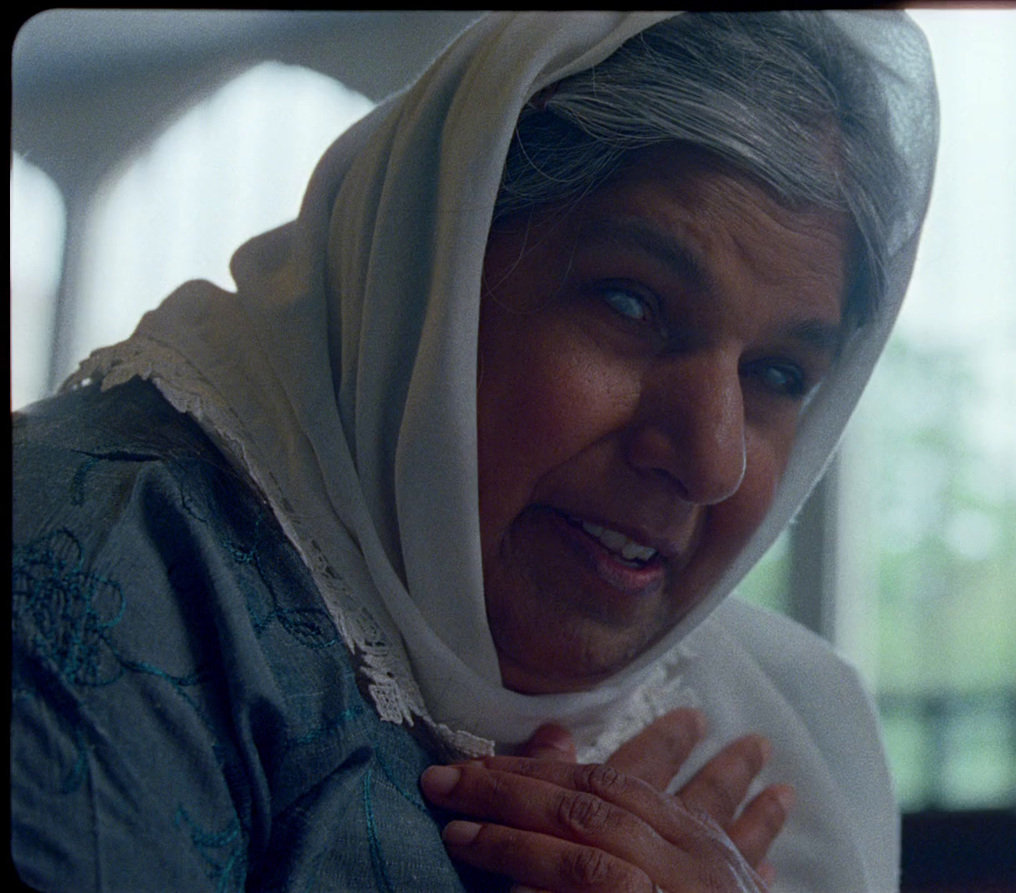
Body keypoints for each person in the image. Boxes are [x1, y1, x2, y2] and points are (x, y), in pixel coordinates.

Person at [11, 10, 937, 892]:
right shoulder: (88, 562)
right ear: (426, 274)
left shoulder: (792, 736)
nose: (709, 457)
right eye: (631, 303)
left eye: (778, 373)